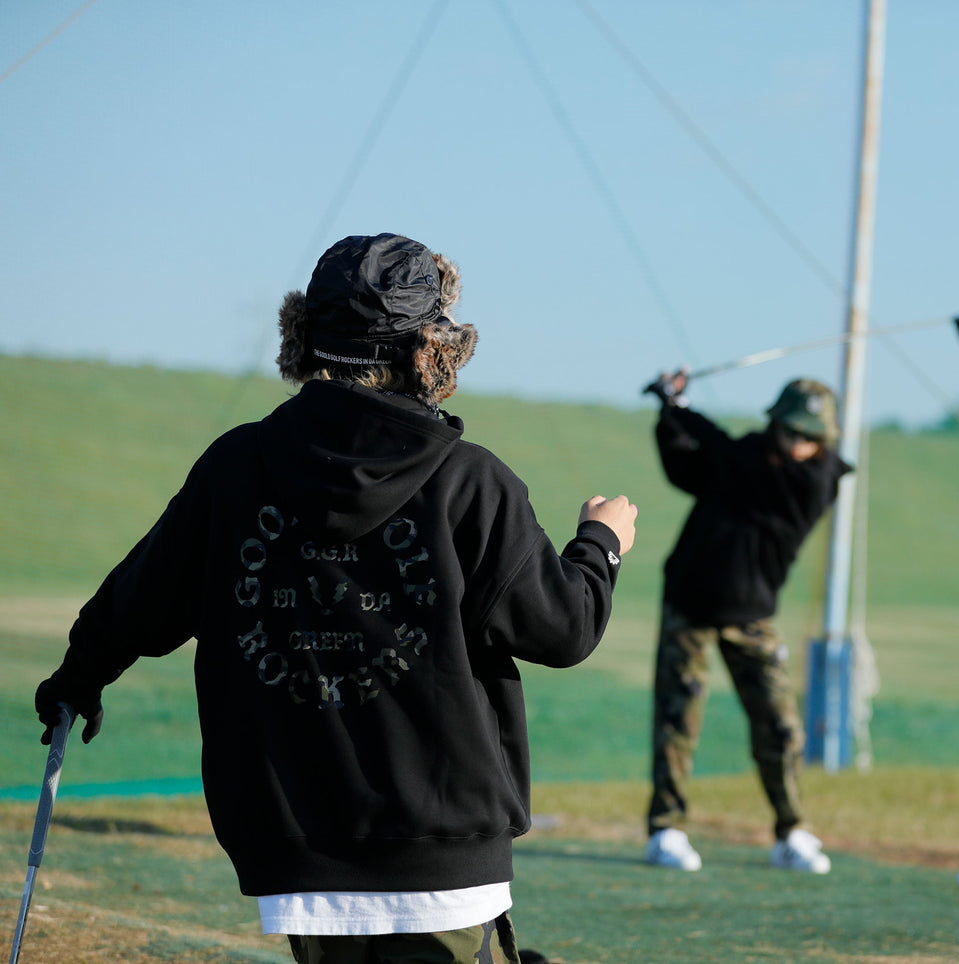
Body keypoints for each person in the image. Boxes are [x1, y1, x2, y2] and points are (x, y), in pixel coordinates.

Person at [33, 233, 638, 964]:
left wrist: (78, 679)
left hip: (293, 850)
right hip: (445, 854)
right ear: (434, 348)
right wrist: (599, 546)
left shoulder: (236, 467)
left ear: (303, 336)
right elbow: (563, 629)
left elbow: (136, 601)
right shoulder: (469, 481)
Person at [638, 370, 850, 874]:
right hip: (690, 602)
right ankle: (666, 828)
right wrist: (669, 417)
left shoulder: (815, 480)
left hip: (752, 615)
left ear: (824, 441)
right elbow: (687, 467)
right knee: (677, 720)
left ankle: (791, 830)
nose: (799, 443)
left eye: (810, 436)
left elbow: (725, 455)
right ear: (776, 426)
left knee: (780, 727)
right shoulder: (743, 456)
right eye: (791, 431)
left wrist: (681, 405)